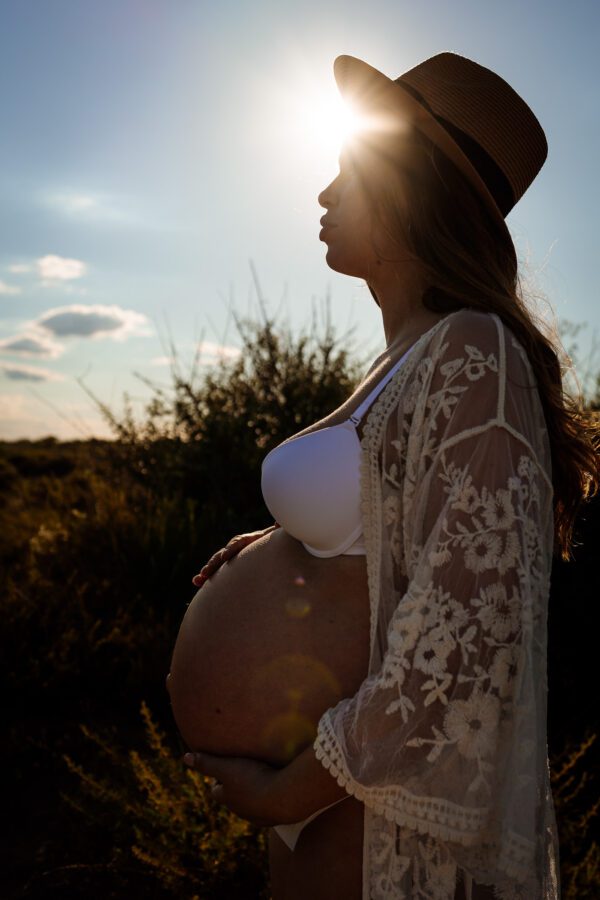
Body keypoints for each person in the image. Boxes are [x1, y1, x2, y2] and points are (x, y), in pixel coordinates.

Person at [180, 52, 599, 899]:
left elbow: (469, 640)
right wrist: (281, 541)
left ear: (413, 186)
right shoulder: (404, 359)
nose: (325, 193)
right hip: (328, 804)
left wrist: (285, 793)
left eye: (350, 169)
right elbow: (396, 523)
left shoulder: (476, 350)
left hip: (363, 810)